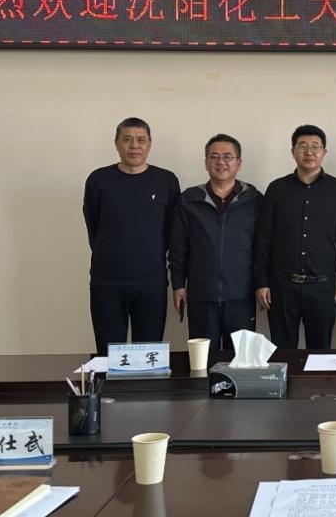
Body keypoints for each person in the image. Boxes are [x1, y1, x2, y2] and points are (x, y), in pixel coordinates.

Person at [83, 117, 180, 354]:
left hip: (151, 282)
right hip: (107, 282)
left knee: (148, 356)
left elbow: (173, 229)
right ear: (116, 143)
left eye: (141, 140)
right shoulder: (99, 179)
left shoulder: (166, 181)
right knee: (108, 354)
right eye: (127, 139)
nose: (134, 145)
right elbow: (93, 226)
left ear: (150, 144)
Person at [254, 124, 336, 349]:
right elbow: (263, 238)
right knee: (282, 352)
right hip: (282, 285)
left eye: (315, 147)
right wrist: (261, 282)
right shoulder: (277, 189)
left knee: (320, 353)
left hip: (322, 285)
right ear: (293, 152)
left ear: (324, 152)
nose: (309, 152)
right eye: (302, 146)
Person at [169, 134, 262, 351]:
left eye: (228, 156)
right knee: (202, 361)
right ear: (206, 162)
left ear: (239, 163)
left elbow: (262, 247)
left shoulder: (254, 200)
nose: (221, 162)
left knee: (241, 361)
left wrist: (262, 283)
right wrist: (178, 284)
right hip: (201, 295)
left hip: (241, 295)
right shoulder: (189, 199)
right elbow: (178, 246)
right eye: (214, 156)